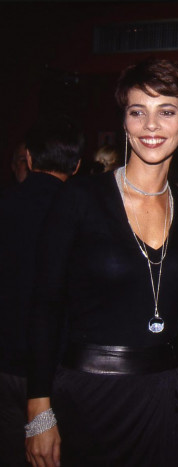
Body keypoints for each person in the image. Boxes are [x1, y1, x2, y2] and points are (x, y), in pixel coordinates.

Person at [25, 58, 178, 466]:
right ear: (125, 123)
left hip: (163, 397)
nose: (151, 126)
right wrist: (38, 409)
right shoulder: (79, 199)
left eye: (166, 112)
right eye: (138, 112)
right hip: (89, 397)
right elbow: (44, 304)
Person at [0, 118, 82, 467]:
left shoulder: (6, 203)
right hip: (59, 367)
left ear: (29, 158)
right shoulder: (82, 212)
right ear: (77, 164)